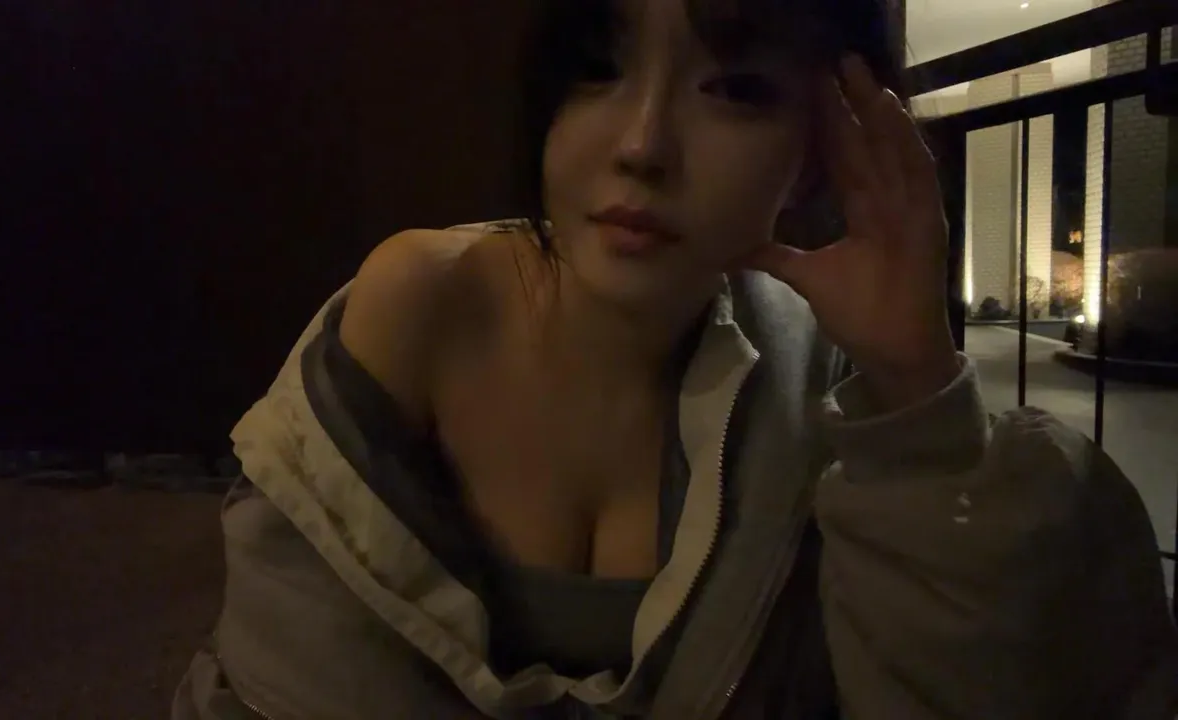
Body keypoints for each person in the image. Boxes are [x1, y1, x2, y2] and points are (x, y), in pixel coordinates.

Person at [173, 0, 1178, 717]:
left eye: (734, 88)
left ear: (821, 146)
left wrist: (916, 383)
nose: (642, 144)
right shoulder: (421, 305)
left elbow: (985, 683)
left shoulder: (826, 386)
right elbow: (287, 670)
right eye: (596, 66)